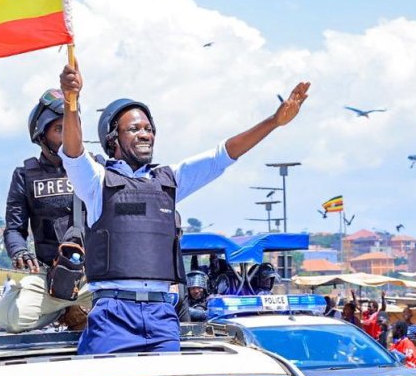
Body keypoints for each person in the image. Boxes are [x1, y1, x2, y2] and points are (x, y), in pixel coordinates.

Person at [58, 61, 309, 354]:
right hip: (114, 314)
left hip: (163, 317)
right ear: (113, 139)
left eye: (149, 128)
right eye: (134, 129)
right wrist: (70, 101)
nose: (145, 134)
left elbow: (222, 156)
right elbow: (73, 152)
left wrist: (274, 122)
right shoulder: (96, 182)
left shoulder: (169, 180)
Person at [0, 88, 92, 333]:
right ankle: (63, 309)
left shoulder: (97, 168)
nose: (68, 135)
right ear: (41, 134)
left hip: (94, 276)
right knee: (8, 318)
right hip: (49, 276)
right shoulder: (24, 176)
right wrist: (18, 250)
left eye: (72, 127)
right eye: (59, 129)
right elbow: (14, 229)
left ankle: (81, 309)